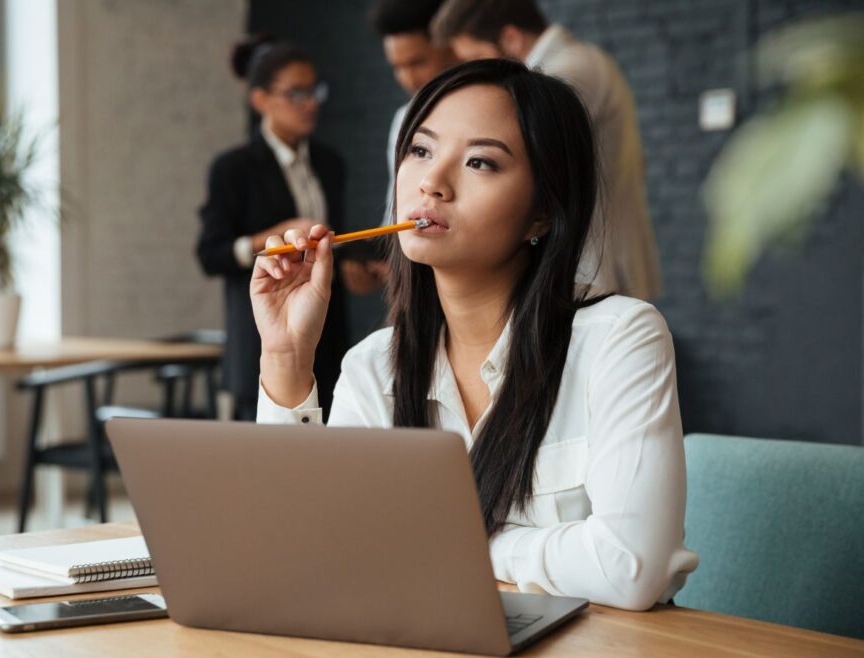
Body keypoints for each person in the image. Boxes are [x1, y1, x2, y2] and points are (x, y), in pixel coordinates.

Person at [250, 59, 697, 610]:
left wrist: (444, 545)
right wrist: (287, 357)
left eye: (480, 162)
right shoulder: (373, 367)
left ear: (542, 214)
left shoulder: (619, 340)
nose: (432, 183)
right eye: (420, 151)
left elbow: (631, 567)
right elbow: (308, 552)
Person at [431, 0, 662, 300]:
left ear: (511, 38)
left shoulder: (567, 73)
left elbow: (511, 143)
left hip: (594, 264)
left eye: (477, 58)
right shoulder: (581, 62)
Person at [196, 36, 348, 421]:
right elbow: (211, 254)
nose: (311, 102)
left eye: (314, 90)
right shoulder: (233, 168)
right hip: (261, 339)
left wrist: (352, 268)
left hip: (327, 337)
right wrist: (271, 237)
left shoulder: (330, 163)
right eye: (296, 93)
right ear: (260, 100)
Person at [341, 0, 461, 296]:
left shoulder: (493, 112)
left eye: (417, 62)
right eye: (397, 67)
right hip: (423, 291)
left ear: (449, 47)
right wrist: (374, 258)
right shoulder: (403, 120)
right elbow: (397, 214)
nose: (408, 77)